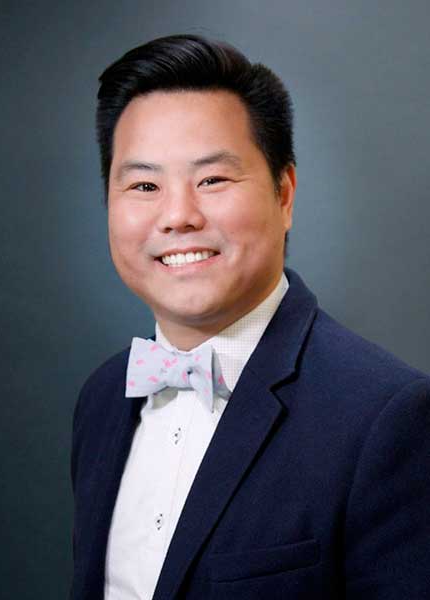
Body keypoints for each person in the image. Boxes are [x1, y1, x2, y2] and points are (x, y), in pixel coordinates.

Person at [71, 34, 430, 600]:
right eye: (144, 185)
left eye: (212, 180)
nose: (178, 216)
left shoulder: (390, 419)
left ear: (284, 194)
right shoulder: (102, 398)